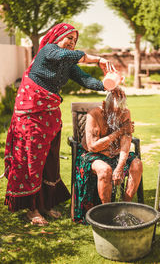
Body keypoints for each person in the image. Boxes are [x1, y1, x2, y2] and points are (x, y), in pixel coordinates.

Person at [3, 23, 119, 226]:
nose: (72, 42)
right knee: (32, 161)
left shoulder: (68, 64)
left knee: (50, 160)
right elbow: (65, 55)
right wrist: (98, 59)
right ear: (56, 37)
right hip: (30, 116)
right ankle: (32, 209)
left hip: (50, 117)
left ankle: (47, 204)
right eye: (68, 38)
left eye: (75, 40)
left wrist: (108, 85)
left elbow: (86, 79)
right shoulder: (48, 51)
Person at [74, 91, 143, 224]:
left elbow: (126, 142)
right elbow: (93, 146)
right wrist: (119, 131)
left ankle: (124, 208)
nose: (117, 115)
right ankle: (108, 212)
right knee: (105, 170)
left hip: (115, 153)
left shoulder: (124, 113)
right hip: (92, 155)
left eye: (119, 112)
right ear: (105, 105)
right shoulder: (94, 114)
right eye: (114, 111)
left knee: (137, 165)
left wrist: (120, 167)